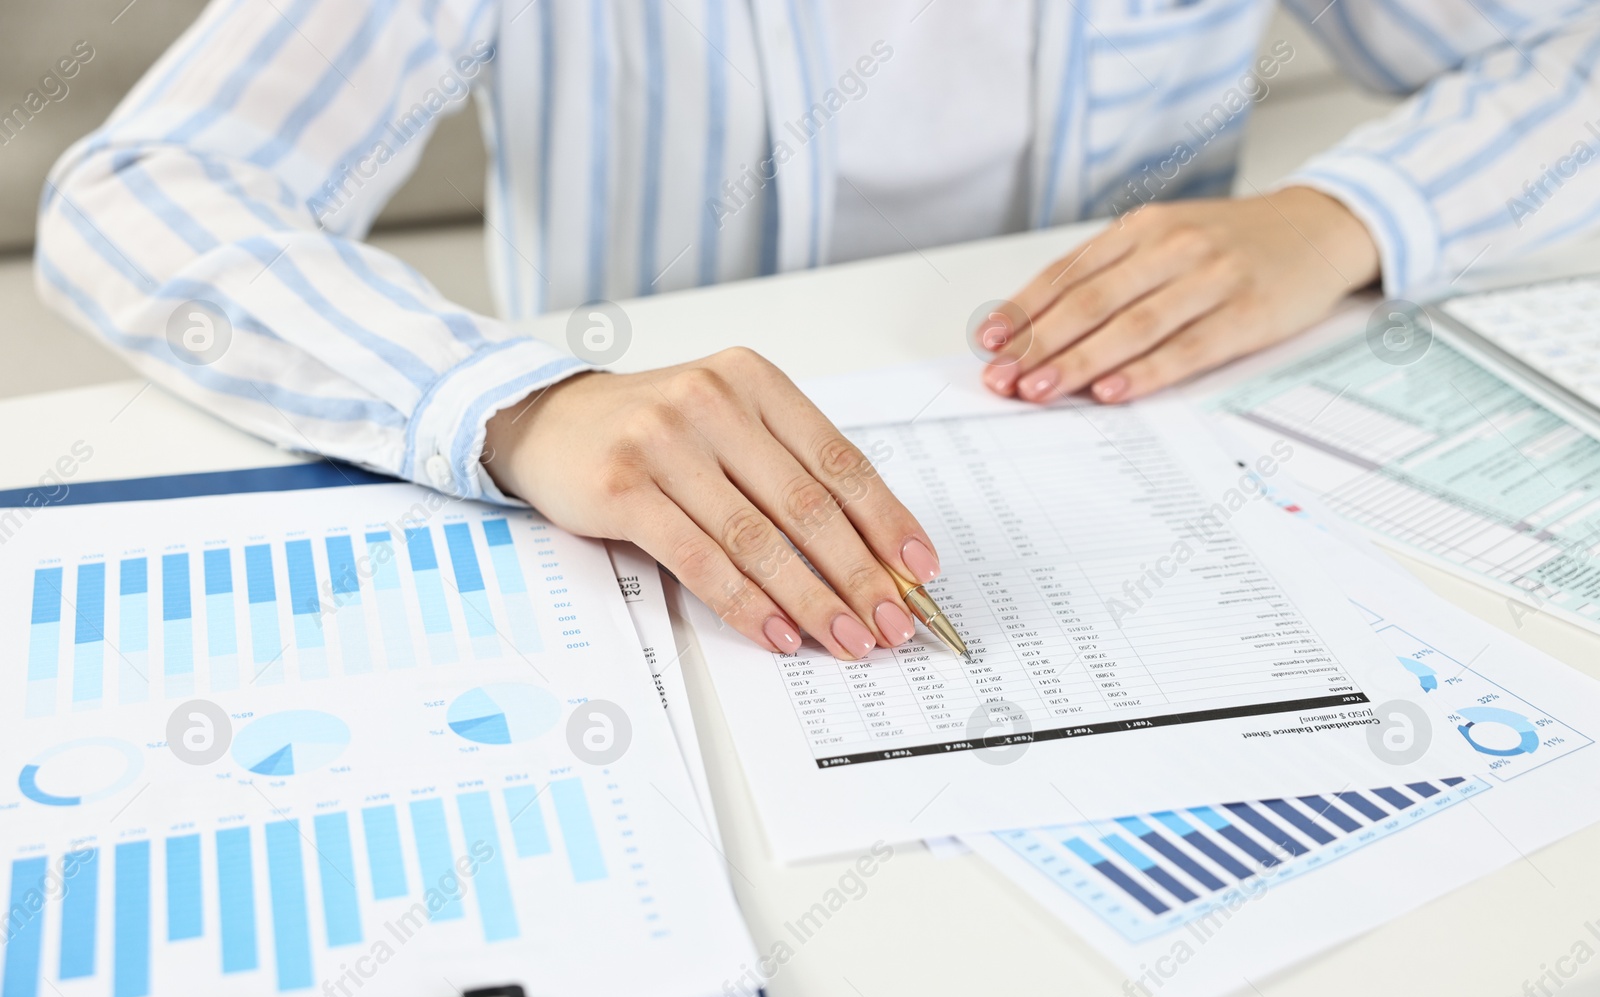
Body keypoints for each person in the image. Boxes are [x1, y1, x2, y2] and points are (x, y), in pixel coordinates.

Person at [37, 0, 1600, 661]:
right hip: (649, 544)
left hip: (1151, 484)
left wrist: (1344, 220)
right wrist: (518, 400)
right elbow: (150, 191)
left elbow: (1563, 52)